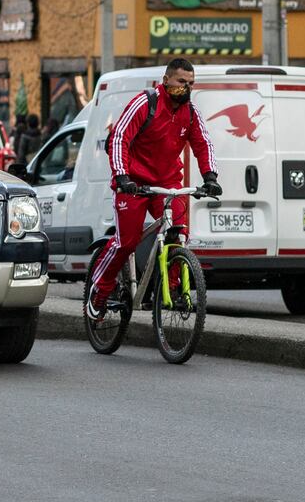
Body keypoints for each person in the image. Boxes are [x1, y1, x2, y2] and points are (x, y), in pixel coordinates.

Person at [85, 58, 222, 319]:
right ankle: (100, 290)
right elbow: (119, 138)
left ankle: (170, 290)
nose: (186, 88)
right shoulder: (145, 103)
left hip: (167, 182)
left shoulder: (190, 113)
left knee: (179, 233)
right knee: (127, 242)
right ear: (166, 80)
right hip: (133, 183)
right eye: (181, 81)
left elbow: (204, 144)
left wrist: (210, 177)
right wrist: (122, 176)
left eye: (191, 83)